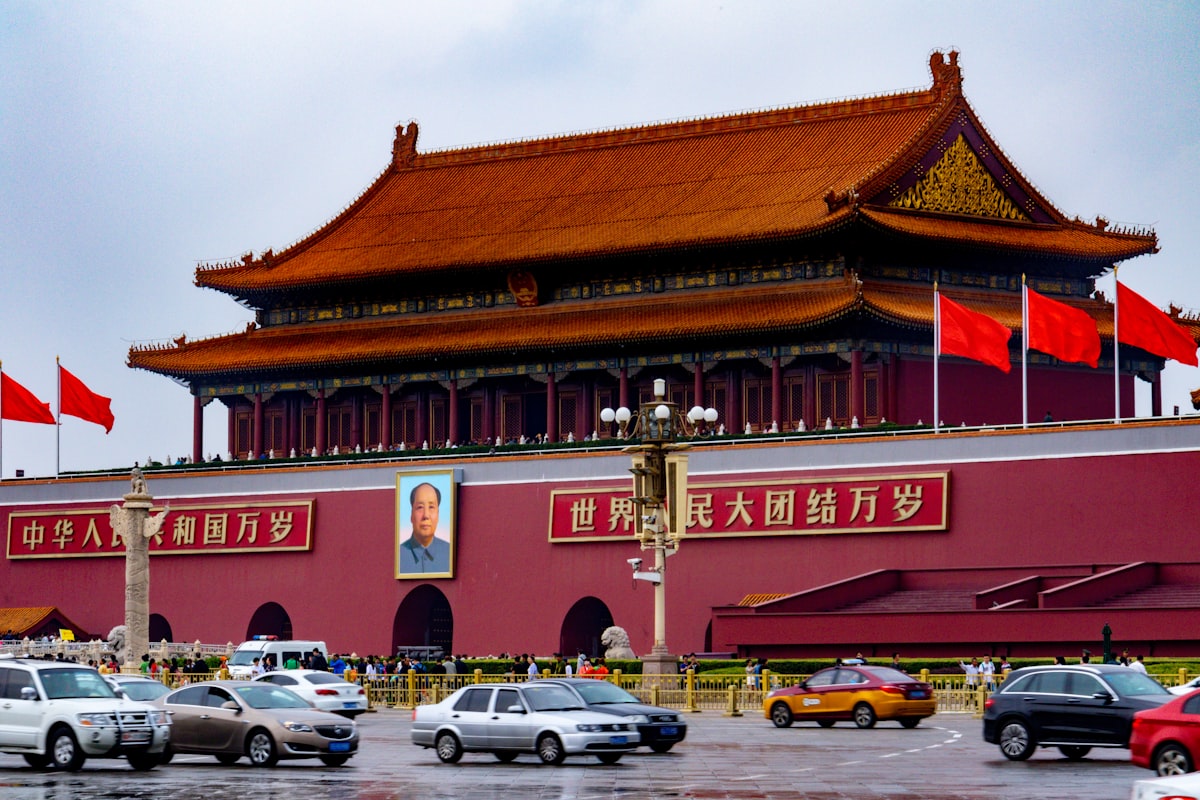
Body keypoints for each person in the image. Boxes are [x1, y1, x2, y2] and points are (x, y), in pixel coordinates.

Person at [399, 482, 451, 574]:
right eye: (420, 507)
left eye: (431, 507)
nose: (426, 515)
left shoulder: (450, 553)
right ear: (411, 515)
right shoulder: (398, 555)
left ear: (438, 514)